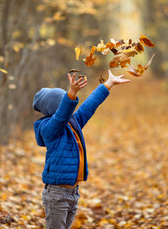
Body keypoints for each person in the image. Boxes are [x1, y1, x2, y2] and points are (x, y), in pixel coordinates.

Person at [33, 70, 130, 229]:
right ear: (56, 108)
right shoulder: (48, 129)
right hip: (57, 195)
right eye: (64, 101)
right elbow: (60, 118)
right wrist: (71, 93)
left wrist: (108, 84)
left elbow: (89, 106)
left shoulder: (73, 123)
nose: (70, 109)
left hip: (73, 192)